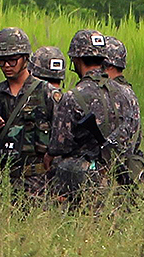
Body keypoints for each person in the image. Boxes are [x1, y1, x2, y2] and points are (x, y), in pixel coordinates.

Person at [0, 27, 59, 194]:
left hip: (39, 185)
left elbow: (64, 138)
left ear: (25, 58)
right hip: (2, 182)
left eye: (12, 60)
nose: (6, 65)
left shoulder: (47, 93)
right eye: (1, 60)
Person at [47, 29, 117, 200]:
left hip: (81, 184)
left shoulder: (73, 97)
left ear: (76, 60)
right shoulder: (126, 94)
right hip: (117, 177)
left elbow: (59, 145)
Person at [103, 36, 144, 191]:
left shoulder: (111, 93)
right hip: (126, 171)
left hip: (113, 173)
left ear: (107, 65)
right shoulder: (128, 92)